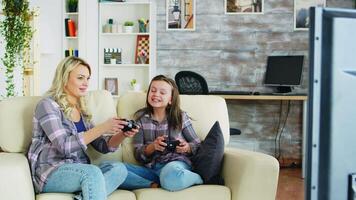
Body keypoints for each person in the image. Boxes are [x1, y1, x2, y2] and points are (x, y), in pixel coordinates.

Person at [27, 56, 138, 200]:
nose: (86, 83)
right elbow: (63, 146)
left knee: (119, 169)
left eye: (87, 78)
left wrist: (123, 134)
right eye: (80, 78)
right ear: (64, 78)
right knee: (92, 172)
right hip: (51, 171)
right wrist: (103, 127)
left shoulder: (82, 110)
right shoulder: (47, 105)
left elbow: (102, 146)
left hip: (79, 170)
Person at [120, 75, 203, 191]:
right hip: (152, 169)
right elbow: (138, 154)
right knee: (110, 168)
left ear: (170, 99)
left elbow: (198, 145)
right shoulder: (141, 118)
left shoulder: (181, 117)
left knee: (170, 174)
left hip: (175, 165)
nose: (156, 94)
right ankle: (154, 184)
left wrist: (187, 147)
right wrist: (153, 147)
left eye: (162, 92)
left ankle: (198, 178)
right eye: (153, 90)